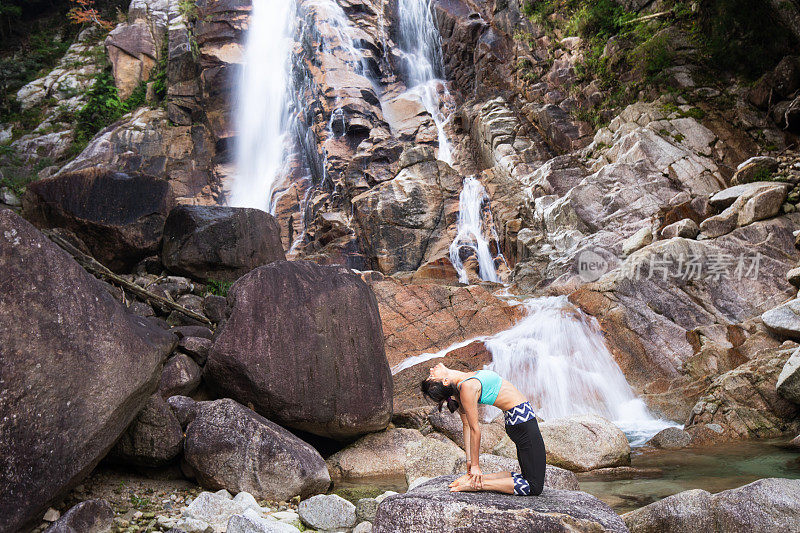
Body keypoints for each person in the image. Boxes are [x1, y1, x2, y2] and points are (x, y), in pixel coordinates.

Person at [420, 363, 546, 496]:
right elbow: (473, 428)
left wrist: (469, 464)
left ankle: (475, 480)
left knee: (526, 477)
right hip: (523, 423)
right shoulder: (466, 387)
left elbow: (466, 426)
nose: (431, 369)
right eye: (431, 376)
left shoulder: (462, 385)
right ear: (445, 381)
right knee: (534, 486)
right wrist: (474, 466)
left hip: (519, 423)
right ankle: (478, 485)